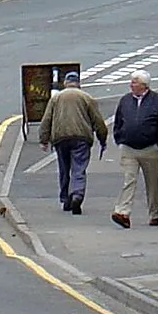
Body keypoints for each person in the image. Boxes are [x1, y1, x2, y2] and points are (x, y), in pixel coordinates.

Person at [38, 71, 107, 214]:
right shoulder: (87, 98)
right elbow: (98, 121)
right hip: (81, 138)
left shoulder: (56, 98)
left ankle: (66, 199)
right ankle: (77, 194)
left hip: (60, 138)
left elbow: (47, 119)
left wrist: (44, 139)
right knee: (79, 168)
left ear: (65, 83)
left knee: (64, 169)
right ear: (78, 83)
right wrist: (102, 138)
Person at [109, 70, 158, 229]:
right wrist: (119, 137)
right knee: (129, 180)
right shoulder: (125, 100)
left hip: (150, 148)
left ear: (144, 85)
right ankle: (122, 212)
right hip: (129, 148)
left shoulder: (157, 100)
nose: (131, 84)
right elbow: (118, 120)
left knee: (152, 183)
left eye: (134, 82)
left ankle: (154, 214)